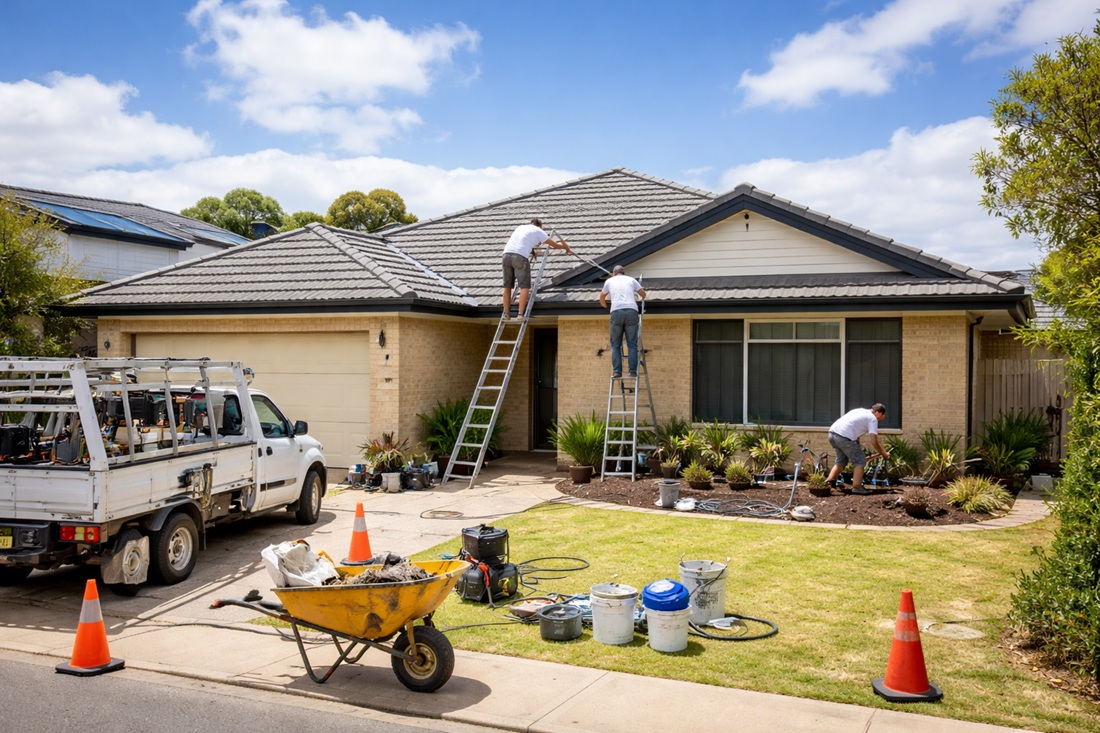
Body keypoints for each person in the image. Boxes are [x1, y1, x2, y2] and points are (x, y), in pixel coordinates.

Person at [502, 219, 572, 321]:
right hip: (520, 257)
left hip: (506, 255)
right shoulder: (539, 231)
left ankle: (506, 314)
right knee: (525, 287)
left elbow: (523, 243)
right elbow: (554, 245)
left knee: (507, 286)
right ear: (540, 226)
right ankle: (520, 315)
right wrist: (565, 247)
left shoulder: (520, 227)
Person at [826, 403, 890, 494]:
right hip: (844, 437)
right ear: (878, 413)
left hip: (832, 433)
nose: (883, 417)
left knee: (841, 461)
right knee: (859, 461)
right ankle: (857, 487)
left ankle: (829, 483)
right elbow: (874, 442)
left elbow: (852, 428)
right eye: (884, 415)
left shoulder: (860, 410)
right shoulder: (872, 419)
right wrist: (884, 453)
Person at [598, 265, 646, 378]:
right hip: (631, 311)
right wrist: (638, 296)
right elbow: (643, 294)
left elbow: (601, 297)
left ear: (614, 273)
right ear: (623, 272)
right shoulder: (631, 280)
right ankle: (632, 371)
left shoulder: (609, 281)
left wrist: (606, 308)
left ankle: (617, 372)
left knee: (615, 345)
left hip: (616, 312)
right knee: (632, 345)